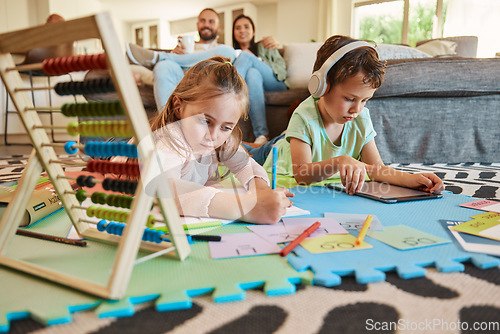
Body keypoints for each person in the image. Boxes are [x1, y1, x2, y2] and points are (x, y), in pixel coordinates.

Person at [259, 35, 444, 195]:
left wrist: (411, 179)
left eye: (364, 100)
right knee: (247, 153)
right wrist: (341, 161)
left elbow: (376, 169)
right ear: (321, 86)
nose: (357, 109)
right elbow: (302, 175)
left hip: (296, 140)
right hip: (279, 154)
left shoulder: (361, 117)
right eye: (349, 98)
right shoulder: (303, 116)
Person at [141, 56, 293, 225]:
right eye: (205, 121)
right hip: (117, 153)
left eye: (226, 127)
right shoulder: (170, 140)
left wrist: (261, 193)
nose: (213, 136)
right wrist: (246, 208)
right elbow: (165, 191)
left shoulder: (222, 140)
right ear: (179, 107)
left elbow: (247, 166)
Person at [126, 8, 236, 110]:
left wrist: (173, 58)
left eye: (211, 22)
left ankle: (160, 57)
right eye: (203, 21)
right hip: (182, 80)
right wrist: (176, 56)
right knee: (164, 65)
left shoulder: (220, 49)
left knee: (229, 51)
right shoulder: (186, 47)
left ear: (218, 27)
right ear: (197, 25)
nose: (206, 24)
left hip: (203, 83)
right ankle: (167, 123)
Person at [232, 14, 288, 145]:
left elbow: (281, 70)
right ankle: (262, 135)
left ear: (253, 31)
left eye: (246, 27)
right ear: (233, 32)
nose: (242, 30)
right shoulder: (232, 53)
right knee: (252, 73)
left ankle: (228, 90)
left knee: (247, 57)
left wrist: (257, 61)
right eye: (238, 28)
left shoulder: (264, 46)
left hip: (275, 82)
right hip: (251, 85)